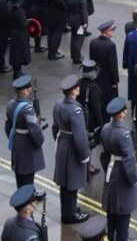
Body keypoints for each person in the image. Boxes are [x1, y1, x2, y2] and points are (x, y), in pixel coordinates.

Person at [52, 74, 92, 224]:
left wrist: (60, 140)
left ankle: (68, 210)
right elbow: (80, 136)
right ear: (73, 91)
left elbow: (55, 127)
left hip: (63, 143)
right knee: (72, 183)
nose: (79, 89)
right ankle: (70, 214)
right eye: (77, 88)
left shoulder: (58, 104)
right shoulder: (75, 110)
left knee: (65, 183)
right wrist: (84, 155)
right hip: (72, 148)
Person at [100, 97, 137, 241]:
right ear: (120, 114)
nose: (126, 112)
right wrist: (134, 180)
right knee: (123, 217)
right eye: (125, 110)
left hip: (111, 171)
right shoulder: (123, 134)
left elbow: (104, 155)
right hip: (122, 175)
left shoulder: (105, 128)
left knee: (111, 214)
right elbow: (129, 161)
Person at [6, 75, 46, 188]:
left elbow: (8, 125)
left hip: (17, 142)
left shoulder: (11, 104)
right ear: (23, 91)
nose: (30, 90)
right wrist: (41, 141)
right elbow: (34, 128)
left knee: (19, 177)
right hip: (27, 146)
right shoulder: (27, 108)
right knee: (28, 179)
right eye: (28, 88)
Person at [89, 20, 121, 107]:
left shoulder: (93, 41)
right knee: (109, 101)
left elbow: (91, 59)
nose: (114, 31)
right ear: (107, 31)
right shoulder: (110, 45)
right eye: (112, 30)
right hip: (107, 78)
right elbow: (112, 65)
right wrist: (114, 81)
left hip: (96, 75)